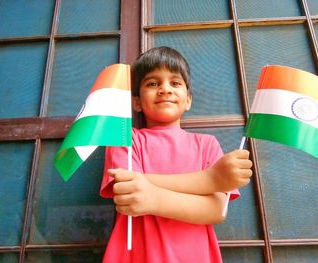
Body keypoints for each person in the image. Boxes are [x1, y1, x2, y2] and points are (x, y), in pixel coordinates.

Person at [100, 46, 253, 263]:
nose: (165, 89)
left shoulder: (206, 144)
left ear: (188, 99)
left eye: (175, 83)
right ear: (136, 101)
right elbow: (127, 192)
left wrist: (150, 194)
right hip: (137, 255)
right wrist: (210, 179)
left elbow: (217, 210)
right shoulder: (125, 138)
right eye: (153, 83)